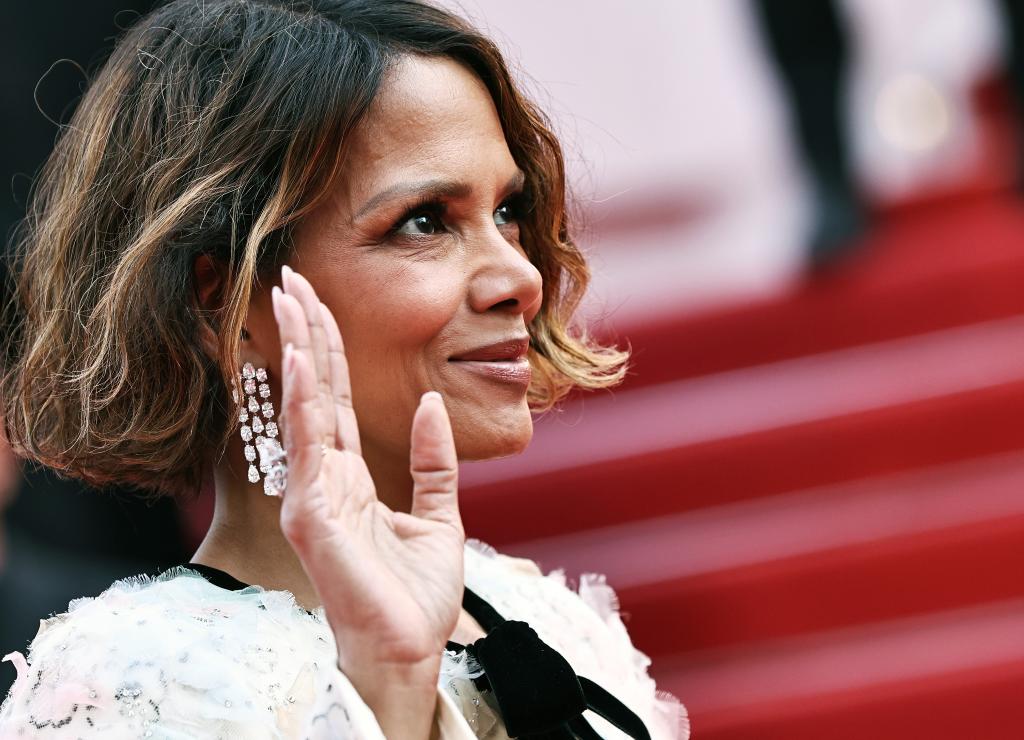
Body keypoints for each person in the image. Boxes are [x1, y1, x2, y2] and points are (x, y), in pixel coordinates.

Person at [0, 1, 688, 737]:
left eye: (507, 211)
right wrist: (388, 691)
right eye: (425, 221)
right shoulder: (129, 686)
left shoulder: (551, 617)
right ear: (224, 302)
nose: (521, 276)